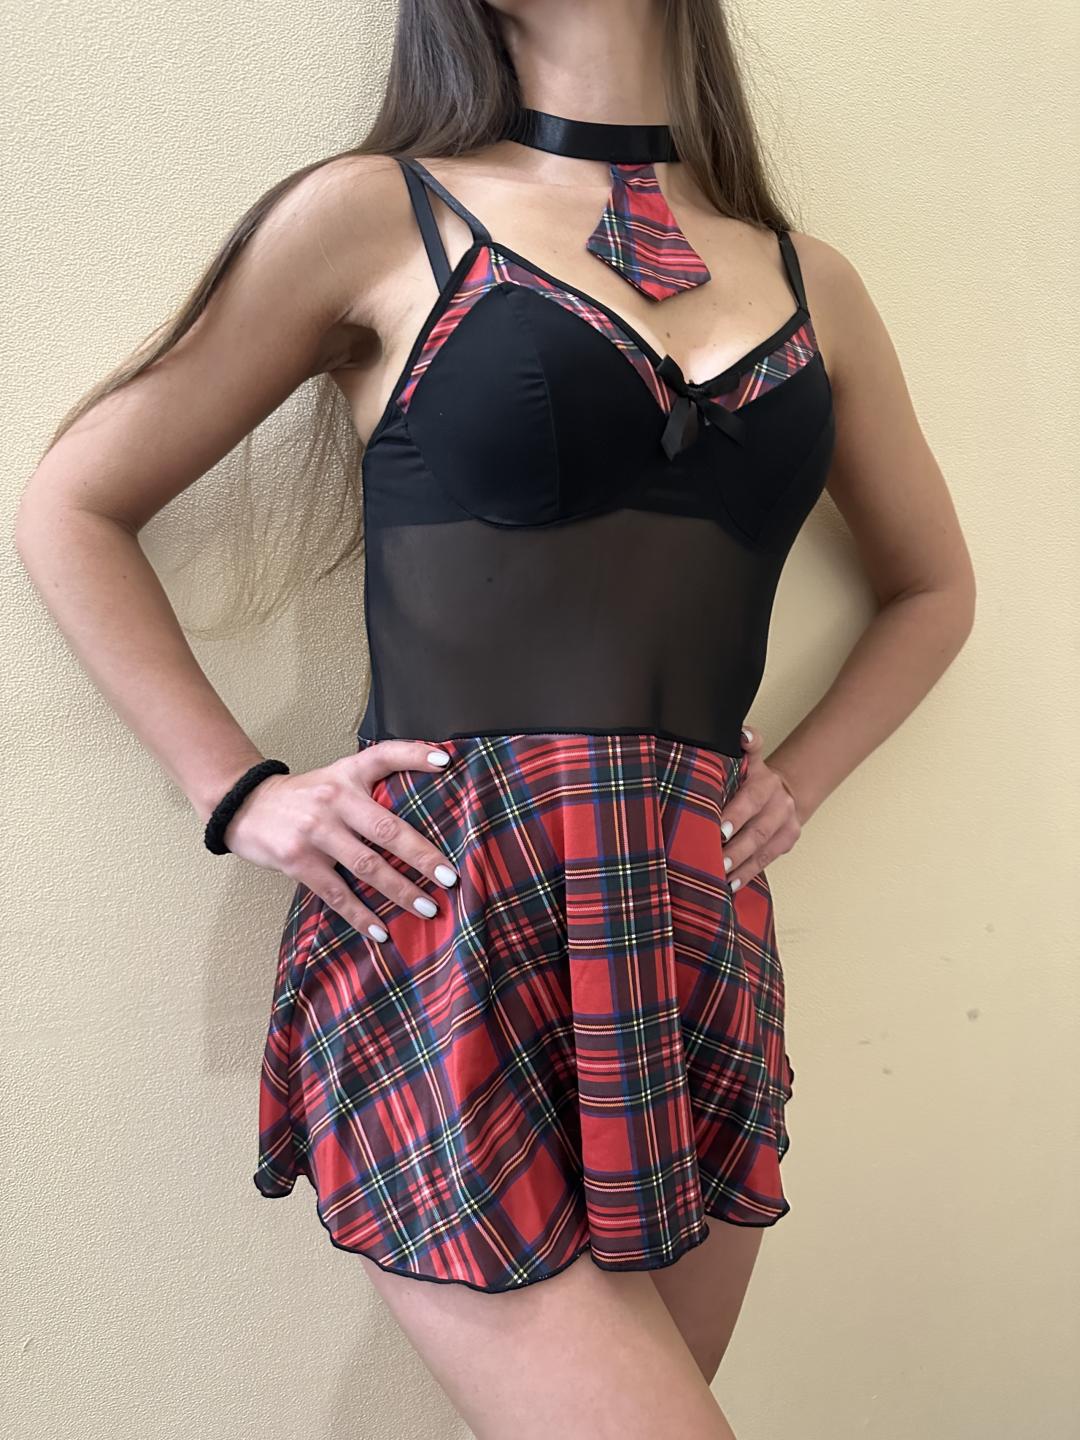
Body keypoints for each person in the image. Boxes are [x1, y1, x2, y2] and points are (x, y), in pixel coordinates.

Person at [13, 2, 976, 1436]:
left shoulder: (809, 279)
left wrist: (807, 778)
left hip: (691, 940)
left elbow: (934, 588)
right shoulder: (372, 215)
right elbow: (74, 504)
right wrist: (242, 791)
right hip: (450, 925)